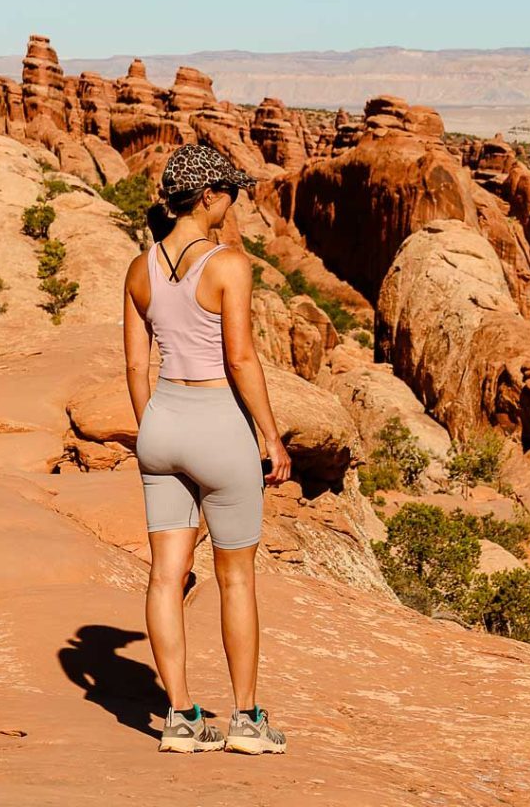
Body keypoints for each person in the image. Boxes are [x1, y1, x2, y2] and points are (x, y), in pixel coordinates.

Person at [123, 142, 292, 755]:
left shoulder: (139, 268)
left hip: (162, 424)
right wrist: (270, 436)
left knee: (165, 577)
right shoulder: (227, 265)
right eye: (232, 193)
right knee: (236, 580)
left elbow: (136, 365)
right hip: (219, 423)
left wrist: (154, 431)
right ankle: (246, 722)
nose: (235, 204)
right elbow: (240, 357)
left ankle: (180, 719)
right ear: (209, 197)